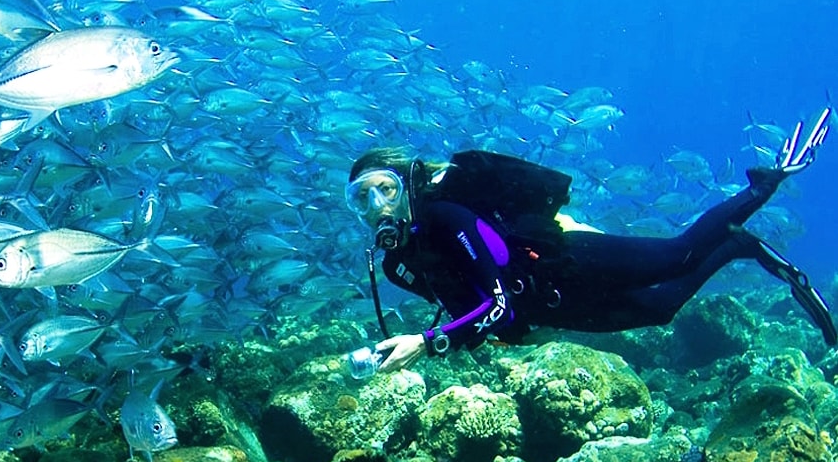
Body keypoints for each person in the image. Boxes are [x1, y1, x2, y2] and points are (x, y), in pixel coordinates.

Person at [344, 108, 837, 372]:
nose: (375, 208)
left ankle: (764, 182)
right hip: (550, 307)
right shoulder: (396, 267)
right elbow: (472, 308)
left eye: (384, 189)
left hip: (566, 262)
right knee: (660, 309)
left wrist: (427, 343)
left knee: (677, 254)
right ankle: (736, 245)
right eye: (360, 200)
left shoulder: (447, 218)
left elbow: (495, 307)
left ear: (407, 184)